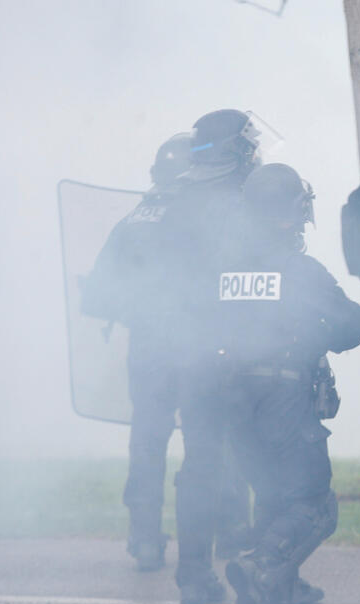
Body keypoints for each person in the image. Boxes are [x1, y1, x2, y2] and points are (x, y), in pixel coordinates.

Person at [80, 133, 251, 573]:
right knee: (210, 441)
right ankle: (228, 534)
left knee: (147, 442)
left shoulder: (135, 217)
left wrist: (134, 308)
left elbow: (97, 295)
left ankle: (144, 541)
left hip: (147, 349)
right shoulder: (203, 213)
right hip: (197, 346)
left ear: (156, 174)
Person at [219, 163, 360, 604]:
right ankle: (260, 566)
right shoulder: (299, 271)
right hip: (284, 401)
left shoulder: (224, 271)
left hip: (234, 405)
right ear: (291, 217)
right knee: (313, 505)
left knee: (271, 502)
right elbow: (353, 325)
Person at [159, 109, 267, 604]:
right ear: (234, 154)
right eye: (248, 148)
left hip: (188, 350)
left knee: (200, 464)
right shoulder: (243, 204)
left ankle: (195, 573)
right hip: (236, 351)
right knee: (249, 456)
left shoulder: (178, 200)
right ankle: (259, 568)